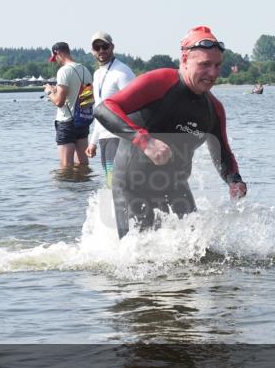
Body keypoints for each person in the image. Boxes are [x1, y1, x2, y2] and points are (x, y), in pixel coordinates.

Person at [94, 26, 247, 238]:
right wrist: (144, 141)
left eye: (217, 65)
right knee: (139, 258)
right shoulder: (160, 82)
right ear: (184, 60)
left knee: (200, 250)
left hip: (176, 188)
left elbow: (223, 155)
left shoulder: (214, 109)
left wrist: (234, 181)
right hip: (133, 184)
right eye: (204, 65)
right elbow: (104, 109)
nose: (213, 73)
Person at [84, 31, 135, 186]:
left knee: (118, 184)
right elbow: (100, 111)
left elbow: (135, 105)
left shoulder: (122, 72)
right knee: (110, 183)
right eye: (97, 47)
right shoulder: (97, 74)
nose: (101, 51)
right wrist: (93, 141)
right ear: (92, 50)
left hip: (120, 137)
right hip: (104, 138)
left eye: (104, 46)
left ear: (112, 47)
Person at [43, 41, 93, 167]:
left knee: (66, 166)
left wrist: (49, 92)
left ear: (58, 53)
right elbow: (80, 94)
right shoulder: (85, 69)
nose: (57, 61)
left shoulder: (64, 71)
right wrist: (57, 91)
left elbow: (59, 102)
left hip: (66, 122)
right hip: (82, 120)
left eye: (56, 58)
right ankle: (84, 186)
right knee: (83, 163)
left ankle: (66, 187)